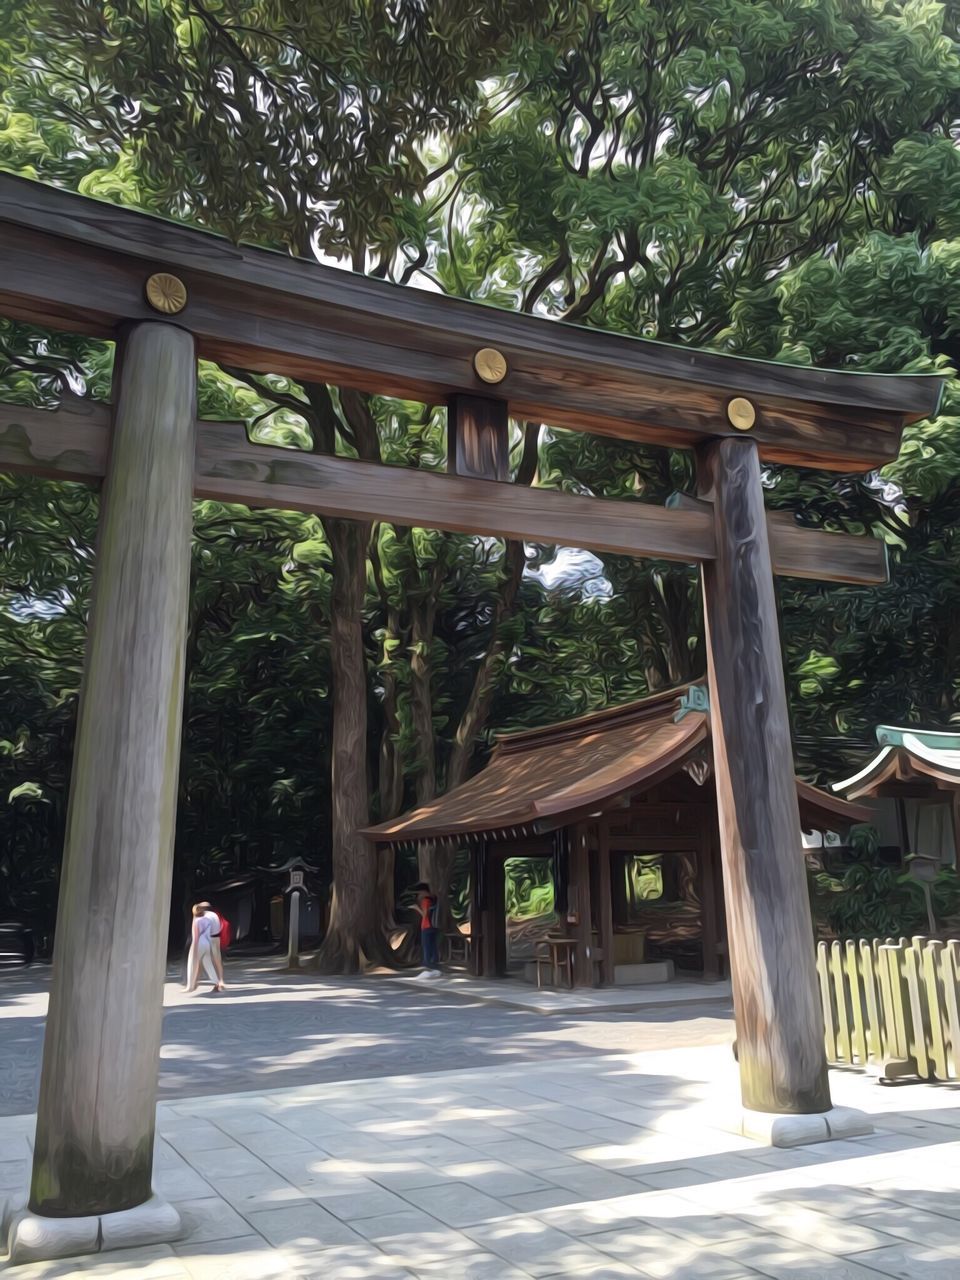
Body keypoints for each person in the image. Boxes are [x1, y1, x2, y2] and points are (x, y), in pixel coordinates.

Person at [184, 903, 223, 993]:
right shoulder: (207, 920)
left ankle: (190, 986)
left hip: (199, 943)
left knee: (191, 963)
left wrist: (193, 949)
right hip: (207, 943)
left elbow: (196, 936)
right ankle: (216, 982)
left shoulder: (196, 921)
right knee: (207, 963)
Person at [412, 881, 440, 974]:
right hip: (434, 926)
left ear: (423, 891)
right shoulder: (433, 899)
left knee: (426, 948)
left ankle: (428, 969)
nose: (419, 894)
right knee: (433, 947)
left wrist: (416, 908)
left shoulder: (425, 900)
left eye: (419, 892)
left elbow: (425, 914)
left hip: (426, 926)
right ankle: (436, 968)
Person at [198, 900, 226, 989]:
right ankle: (221, 980)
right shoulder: (215, 915)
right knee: (217, 960)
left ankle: (196, 980)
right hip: (216, 938)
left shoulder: (204, 916)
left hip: (207, 938)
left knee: (202, 959)